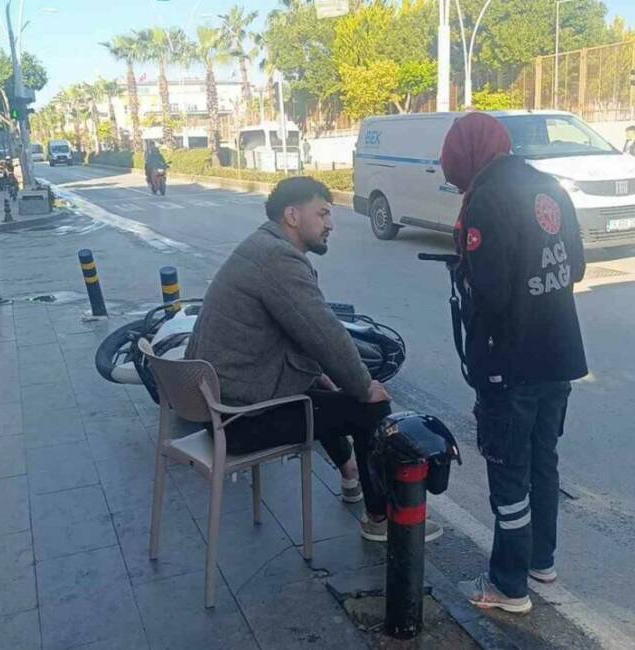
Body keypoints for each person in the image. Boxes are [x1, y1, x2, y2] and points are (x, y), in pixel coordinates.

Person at [185, 176, 443, 543]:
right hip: (239, 420)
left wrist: (328, 376)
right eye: (322, 213)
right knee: (368, 408)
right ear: (292, 215)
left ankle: (350, 472)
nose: (330, 224)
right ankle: (381, 519)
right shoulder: (277, 259)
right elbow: (324, 332)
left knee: (322, 389)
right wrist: (363, 385)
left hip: (222, 405)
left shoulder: (260, 247)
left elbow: (300, 335)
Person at [439, 113, 587, 615]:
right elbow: (578, 267)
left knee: (508, 471)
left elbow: (494, 292)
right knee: (544, 461)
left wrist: (466, 272)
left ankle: (508, 585)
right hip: (559, 354)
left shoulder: (486, 198)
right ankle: (540, 562)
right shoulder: (549, 186)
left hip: (511, 360)